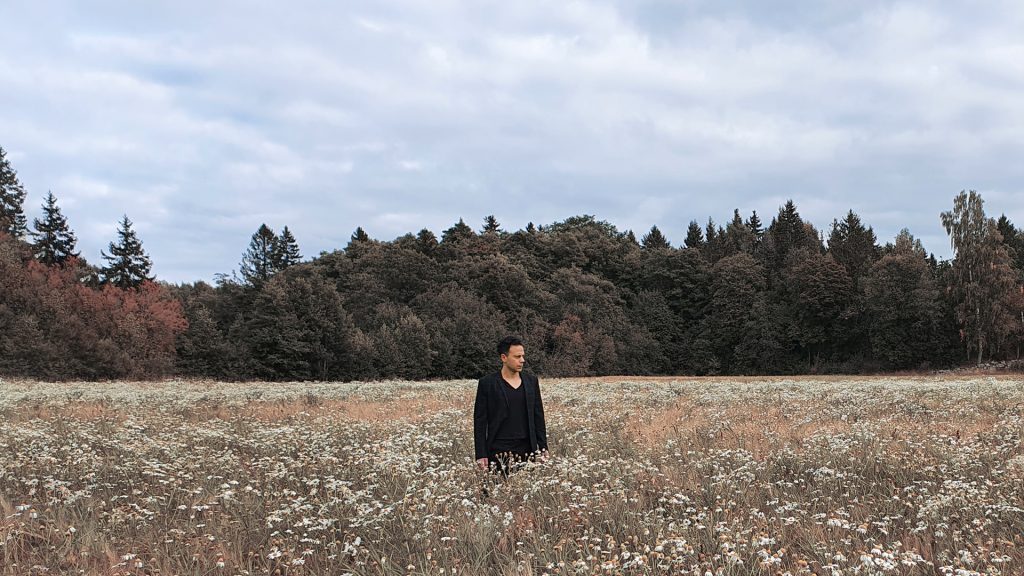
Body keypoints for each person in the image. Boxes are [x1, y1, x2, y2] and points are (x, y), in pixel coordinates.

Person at [474, 336, 548, 475]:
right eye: (517, 356)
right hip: (497, 450)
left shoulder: (531, 382)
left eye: (523, 356)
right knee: (495, 493)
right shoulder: (487, 384)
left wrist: (543, 447)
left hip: (527, 450)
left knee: (525, 493)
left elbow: (538, 416)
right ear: (504, 357)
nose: (522, 360)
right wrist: (480, 454)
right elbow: (480, 422)